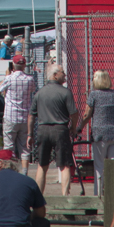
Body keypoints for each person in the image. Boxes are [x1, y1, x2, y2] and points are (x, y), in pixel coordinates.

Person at [27, 66, 78, 195]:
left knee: (42, 165)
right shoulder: (66, 92)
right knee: (65, 165)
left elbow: (31, 115)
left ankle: (38, 197)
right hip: (60, 130)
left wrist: (30, 134)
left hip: (43, 129)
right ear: (55, 75)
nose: (65, 74)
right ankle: (65, 196)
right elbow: (74, 113)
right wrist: (73, 127)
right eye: (62, 72)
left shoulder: (39, 93)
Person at [76, 70, 114, 195]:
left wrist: (79, 127)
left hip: (99, 134)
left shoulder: (93, 95)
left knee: (99, 165)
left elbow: (87, 114)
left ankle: (98, 194)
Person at [0, 55, 36, 173]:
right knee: (25, 148)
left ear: (13, 65)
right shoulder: (29, 79)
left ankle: (8, 173)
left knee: (9, 146)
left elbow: (0, 89)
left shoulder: (9, 78)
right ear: (24, 65)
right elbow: (32, 90)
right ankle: (24, 173)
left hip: (10, 116)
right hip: (25, 117)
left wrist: (7, 74)